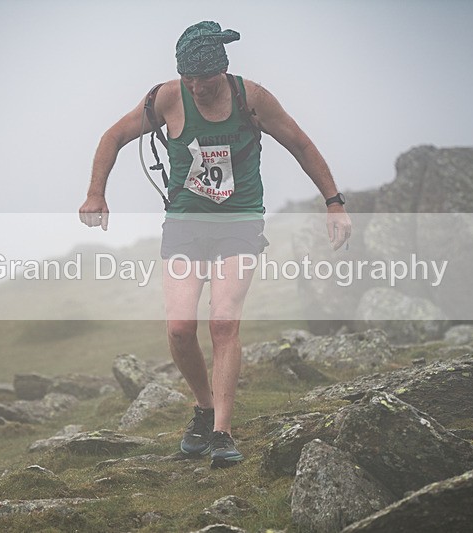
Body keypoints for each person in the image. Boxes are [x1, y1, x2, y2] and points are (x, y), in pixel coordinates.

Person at [79, 21, 351, 468]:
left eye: (204, 78)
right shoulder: (166, 98)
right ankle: (204, 408)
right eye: (188, 77)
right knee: (180, 329)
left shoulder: (252, 98)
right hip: (185, 223)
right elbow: (113, 136)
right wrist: (96, 193)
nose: (196, 86)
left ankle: (223, 431)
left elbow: (300, 144)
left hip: (239, 222)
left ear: (222, 70)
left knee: (223, 324)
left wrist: (334, 202)